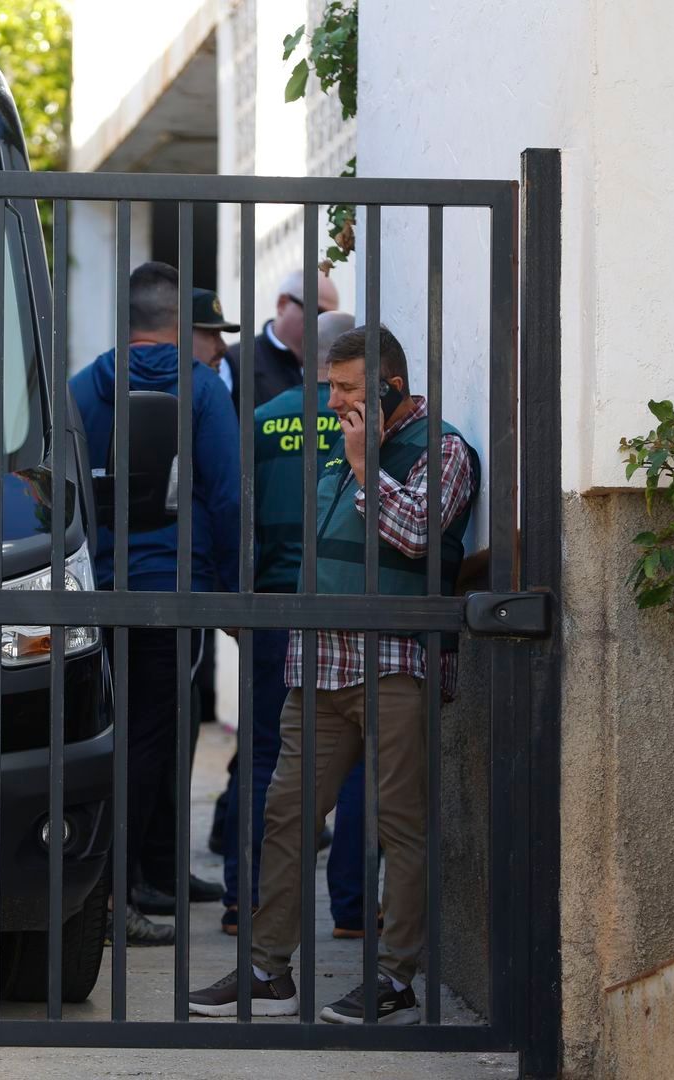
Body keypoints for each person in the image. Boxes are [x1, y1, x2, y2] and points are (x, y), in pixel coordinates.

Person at [188, 325, 478, 1024]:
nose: (332, 399)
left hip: (393, 664)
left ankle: (396, 981)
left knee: (398, 824)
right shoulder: (342, 450)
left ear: (389, 386)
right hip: (318, 667)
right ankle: (268, 971)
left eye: (346, 388)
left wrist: (359, 464)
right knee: (285, 816)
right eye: (330, 385)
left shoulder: (443, 449)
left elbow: (416, 534)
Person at [71, 262, 242, 947]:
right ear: (178, 324)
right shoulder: (202, 390)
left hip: (95, 595)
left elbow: (54, 488)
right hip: (174, 596)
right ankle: (120, 895)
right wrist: (232, 594)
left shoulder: (84, 386)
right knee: (152, 745)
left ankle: (102, 891)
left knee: (99, 742)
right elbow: (228, 496)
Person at [218, 308, 377, 942]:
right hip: (346, 607)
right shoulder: (362, 420)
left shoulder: (262, 419)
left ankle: (245, 900)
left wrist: (239, 594)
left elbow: (236, 509)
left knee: (263, 756)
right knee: (362, 753)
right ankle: (354, 908)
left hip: (273, 606)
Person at [250, 270, 341, 408]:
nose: (322, 323)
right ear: (282, 304)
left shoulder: (336, 366)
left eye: (328, 317)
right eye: (317, 312)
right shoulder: (237, 363)